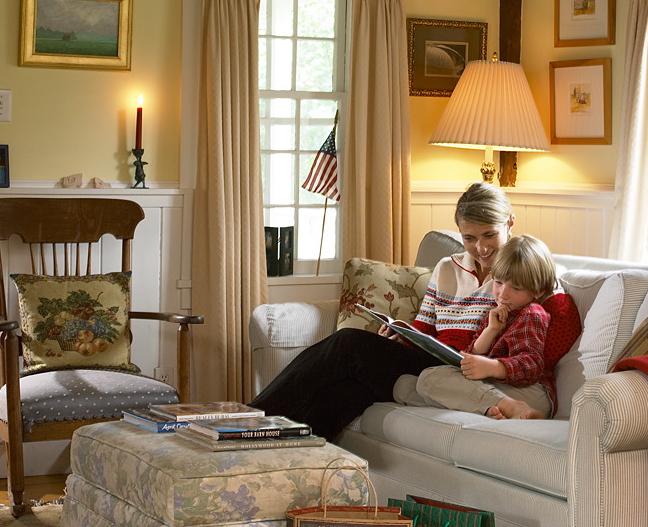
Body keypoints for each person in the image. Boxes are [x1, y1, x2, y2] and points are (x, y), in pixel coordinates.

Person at [249, 182, 581, 440]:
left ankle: (251, 425)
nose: (481, 248)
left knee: (348, 359)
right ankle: (266, 443)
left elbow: (544, 349)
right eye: (469, 238)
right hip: (433, 359)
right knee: (350, 371)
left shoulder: (524, 275)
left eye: (489, 235)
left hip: (465, 370)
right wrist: (401, 336)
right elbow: (425, 329)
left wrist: (491, 360)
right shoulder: (447, 268)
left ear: (509, 223)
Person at [392, 234, 556, 420]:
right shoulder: (494, 314)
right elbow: (473, 356)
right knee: (404, 386)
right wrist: (491, 330)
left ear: (538, 290)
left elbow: (531, 365)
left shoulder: (532, 313)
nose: (503, 294)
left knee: (428, 382)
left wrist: (493, 367)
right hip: (497, 387)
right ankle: (492, 407)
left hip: (530, 392)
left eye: (516, 288)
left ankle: (508, 407)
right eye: (499, 283)